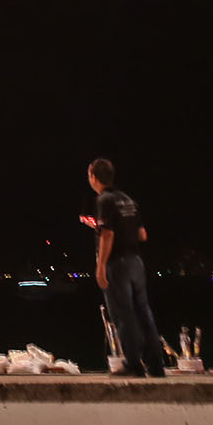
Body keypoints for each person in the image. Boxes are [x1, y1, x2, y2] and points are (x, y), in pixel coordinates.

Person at [84, 158, 168, 377]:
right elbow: (142, 234)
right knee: (143, 312)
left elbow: (108, 234)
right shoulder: (127, 199)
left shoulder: (104, 200)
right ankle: (156, 365)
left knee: (123, 315)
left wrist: (100, 266)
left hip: (117, 264)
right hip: (136, 262)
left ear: (93, 177)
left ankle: (133, 364)